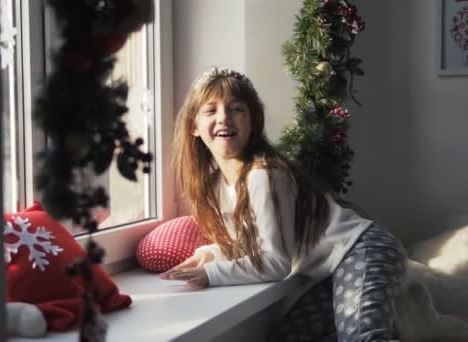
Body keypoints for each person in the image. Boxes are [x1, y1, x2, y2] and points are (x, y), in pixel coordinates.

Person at [160, 66, 406, 342]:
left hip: (362, 249)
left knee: (363, 337)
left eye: (236, 109)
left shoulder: (264, 173)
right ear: (194, 126)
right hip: (330, 268)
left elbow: (276, 262)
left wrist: (210, 274)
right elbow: (250, 241)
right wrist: (212, 253)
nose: (224, 118)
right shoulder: (216, 186)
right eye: (211, 110)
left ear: (253, 121)